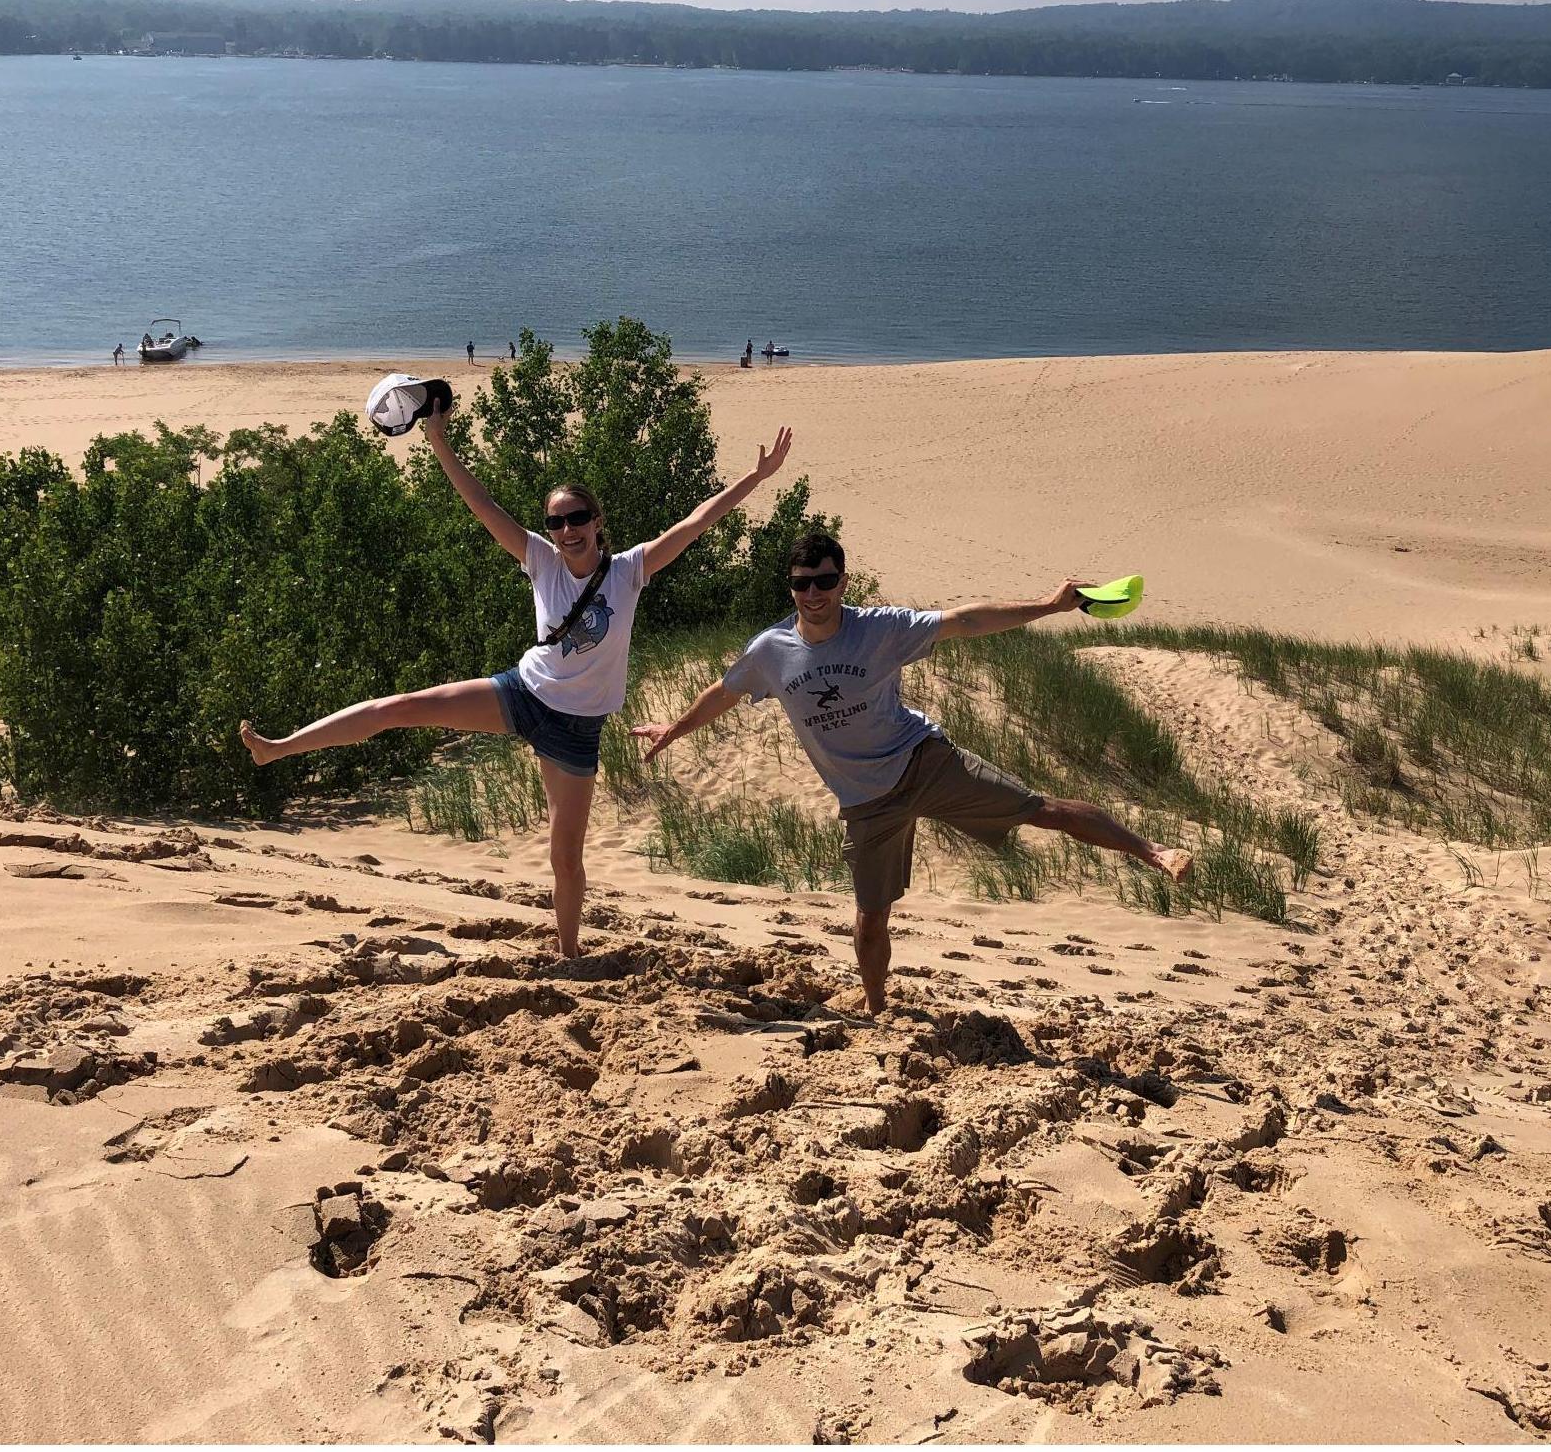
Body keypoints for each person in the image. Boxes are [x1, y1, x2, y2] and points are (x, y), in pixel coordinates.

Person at [241, 415, 795, 960]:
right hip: (522, 694)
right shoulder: (540, 561)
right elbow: (482, 505)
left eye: (577, 518)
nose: (567, 530)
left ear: (598, 521)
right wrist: (438, 440)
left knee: (565, 857)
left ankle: (569, 954)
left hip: (577, 731)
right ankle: (281, 747)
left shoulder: (629, 570)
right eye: (556, 522)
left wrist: (757, 477)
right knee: (398, 708)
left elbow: (697, 523)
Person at [633, 533, 1193, 1014]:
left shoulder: (880, 629)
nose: (813, 594)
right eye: (802, 584)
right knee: (871, 916)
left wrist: (1048, 607)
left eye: (824, 582)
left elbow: (967, 620)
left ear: (842, 583)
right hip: (865, 800)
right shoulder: (771, 651)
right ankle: (878, 1010)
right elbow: (723, 693)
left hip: (922, 763)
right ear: (791, 588)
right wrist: (673, 730)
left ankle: (1154, 852)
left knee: (1040, 810)